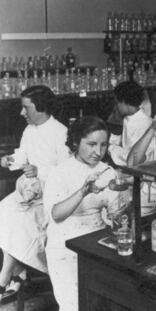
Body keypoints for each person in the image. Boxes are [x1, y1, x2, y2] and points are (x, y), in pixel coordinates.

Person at [43, 116, 122, 311]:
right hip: (63, 245)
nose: (98, 152)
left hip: (95, 243)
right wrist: (83, 191)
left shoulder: (107, 172)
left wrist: (122, 204)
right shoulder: (60, 172)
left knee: (106, 301)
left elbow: (116, 216)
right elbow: (56, 215)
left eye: (103, 145)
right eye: (92, 144)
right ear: (76, 142)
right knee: (74, 305)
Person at [0, 85, 69, 300]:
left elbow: (66, 171)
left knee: (20, 222)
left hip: (52, 196)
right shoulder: (29, 130)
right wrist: (10, 160)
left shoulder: (61, 132)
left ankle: (6, 276)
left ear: (41, 108)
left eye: (25, 108)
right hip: (30, 191)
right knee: (3, 211)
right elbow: (23, 155)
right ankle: (16, 272)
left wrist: (41, 171)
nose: (22, 113)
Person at [108, 81, 152, 166]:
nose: (116, 107)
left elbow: (133, 157)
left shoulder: (143, 123)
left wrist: (111, 148)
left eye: (117, 103)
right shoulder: (128, 118)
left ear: (124, 101)